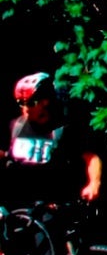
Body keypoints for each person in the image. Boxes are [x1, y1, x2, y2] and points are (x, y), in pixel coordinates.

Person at [9, 73, 101, 206]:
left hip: (51, 208)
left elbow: (91, 158)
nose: (25, 108)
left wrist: (94, 184)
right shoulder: (14, 127)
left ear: (45, 101)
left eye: (30, 103)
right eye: (21, 103)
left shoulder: (63, 130)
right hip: (18, 206)